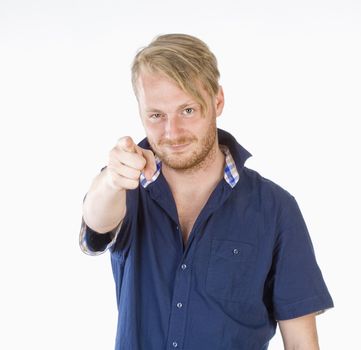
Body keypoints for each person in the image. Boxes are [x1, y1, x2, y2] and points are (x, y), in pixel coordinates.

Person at [79, 33, 334, 350]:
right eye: (156, 115)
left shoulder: (275, 208)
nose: (172, 133)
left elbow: (300, 344)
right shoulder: (124, 188)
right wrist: (112, 180)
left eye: (187, 110)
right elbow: (95, 227)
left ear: (218, 101)